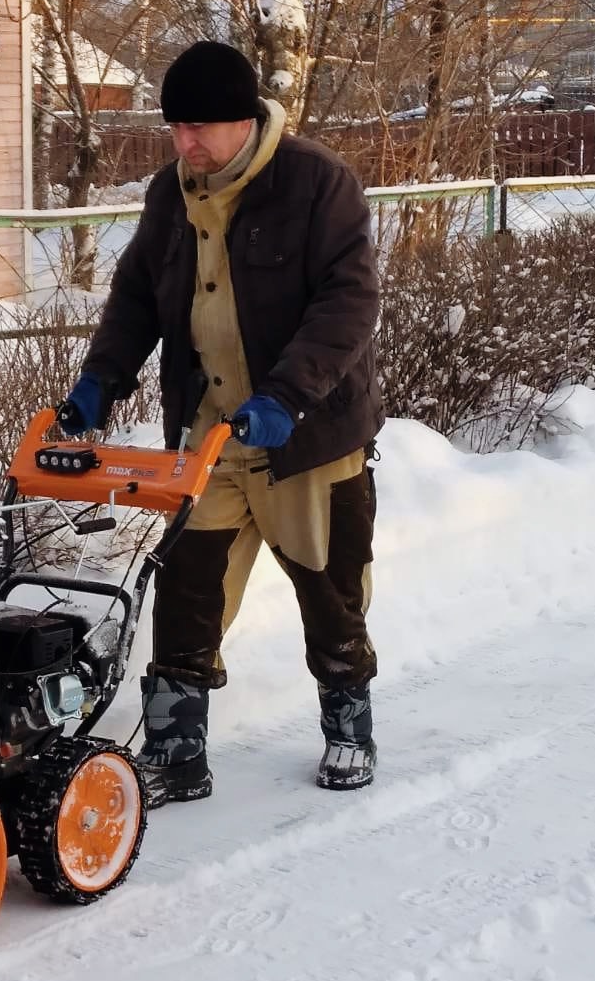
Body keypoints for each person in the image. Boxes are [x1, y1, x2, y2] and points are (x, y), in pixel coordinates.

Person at [56, 40, 383, 808]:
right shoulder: (172, 194)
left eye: (199, 127)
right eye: (176, 128)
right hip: (210, 439)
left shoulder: (315, 183)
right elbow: (136, 294)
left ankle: (348, 727)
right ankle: (175, 751)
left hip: (307, 439)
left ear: (245, 120)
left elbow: (349, 302)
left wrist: (285, 393)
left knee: (330, 589)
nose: (186, 143)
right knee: (187, 592)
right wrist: (101, 380)